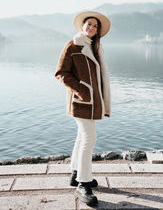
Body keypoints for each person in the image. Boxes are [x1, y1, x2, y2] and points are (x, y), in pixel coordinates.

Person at [54, 11, 111, 206]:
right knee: (89, 138)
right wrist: (82, 90)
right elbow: (61, 73)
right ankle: (83, 184)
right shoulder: (73, 45)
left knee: (81, 138)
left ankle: (76, 173)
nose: (92, 28)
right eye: (89, 24)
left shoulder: (95, 48)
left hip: (93, 102)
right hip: (81, 102)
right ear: (82, 26)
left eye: (95, 26)